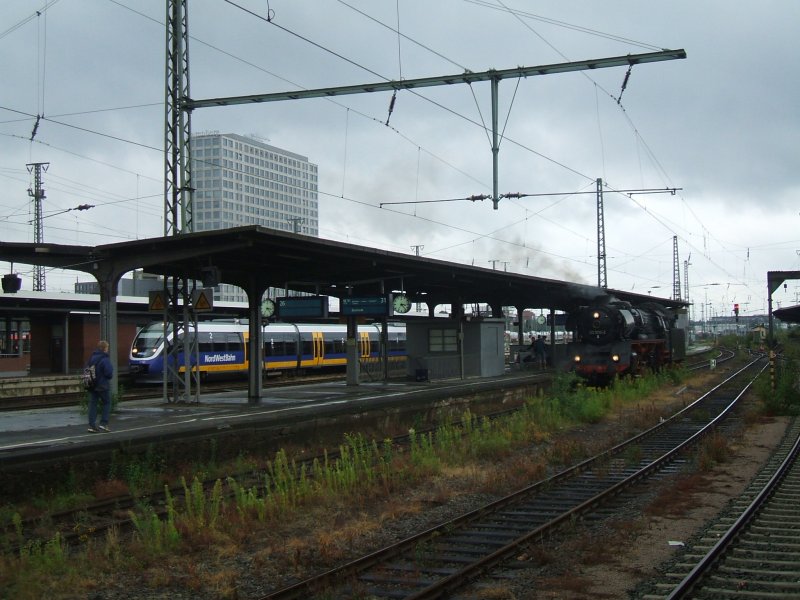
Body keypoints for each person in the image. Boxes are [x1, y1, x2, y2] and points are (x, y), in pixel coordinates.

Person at [86, 340, 113, 433]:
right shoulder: (105, 359)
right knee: (107, 402)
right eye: (107, 348)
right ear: (105, 348)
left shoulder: (91, 358)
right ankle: (103, 424)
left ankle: (91, 425)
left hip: (92, 384)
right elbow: (109, 373)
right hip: (102, 385)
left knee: (93, 404)